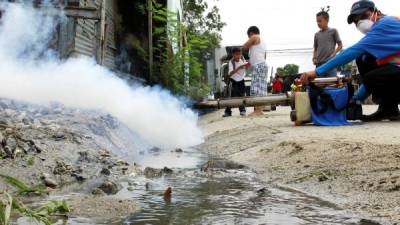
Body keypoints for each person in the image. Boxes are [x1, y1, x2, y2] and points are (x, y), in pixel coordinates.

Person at [302, 0, 400, 121]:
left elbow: (351, 52)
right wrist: (354, 99)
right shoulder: (387, 25)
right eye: (356, 21)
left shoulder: (384, 25)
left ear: (376, 12)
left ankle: (388, 108)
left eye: (364, 16)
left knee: (370, 72)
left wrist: (317, 72)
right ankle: (389, 109)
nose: (360, 23)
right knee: (364, 59)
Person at [242, 26, 267, 116]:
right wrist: (250, 62)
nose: (249, 39)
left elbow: (244, 47)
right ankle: (259, 109)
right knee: (260, 88)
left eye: (248, 36)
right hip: (262, 65)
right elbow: (262, 56)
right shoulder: (263, 42)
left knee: (256, 89)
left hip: (259, 66)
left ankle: (258, 110)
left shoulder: (254, 37)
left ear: (251, 33)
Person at [313, 7, 343, 77]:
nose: (318, 23)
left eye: (320, 21)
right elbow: (315, 48)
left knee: (332, 84)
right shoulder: (317, 34)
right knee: (320, 85)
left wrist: (333, 54)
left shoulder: (333, 31)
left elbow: (340, 45)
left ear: (327, 20)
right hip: (319, 64)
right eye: (317, 21)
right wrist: (314, 58)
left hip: (330, 63)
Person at [223, 48, 249, 117]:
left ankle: (242, 110)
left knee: (241, 95)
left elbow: (246, 67)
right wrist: (239, 67)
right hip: (233, 80)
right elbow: (230, 74)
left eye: (239, 54)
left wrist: (247, 66)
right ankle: (228, 112)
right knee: (230, 96)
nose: (238, 56)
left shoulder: (242, 59)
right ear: (233, 55)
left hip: (241, 80)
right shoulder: (231, 62)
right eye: (237, 54)